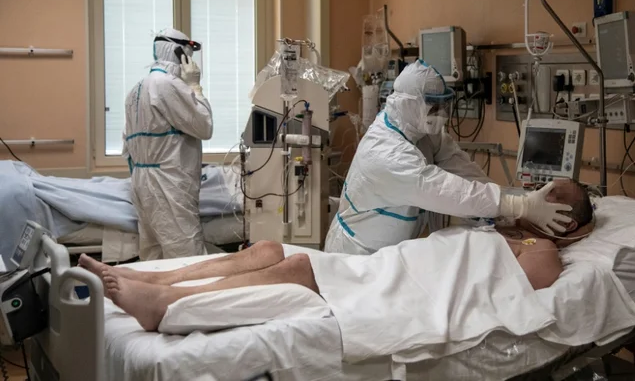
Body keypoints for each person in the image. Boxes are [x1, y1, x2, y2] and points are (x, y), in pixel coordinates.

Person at [77, 178, 595, 332]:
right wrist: (509, 215)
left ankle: (164, 306)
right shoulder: (501, 224)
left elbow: (505, 293)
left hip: (413, 286)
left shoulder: (545, 249)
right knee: (269, 248)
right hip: (396, 264)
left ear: (567, 223)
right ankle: (163, 281)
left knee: (298, 268)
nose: (536, 189)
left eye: (552, 194)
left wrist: (537, 235)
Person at [325, 60, 573, 255]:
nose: (441, 115)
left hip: (390, 254)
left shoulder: (420, 130)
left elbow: (462, 170)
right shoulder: (385, 153)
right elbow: (443, 189)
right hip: (357, 255)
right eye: (433, 107)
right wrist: (519, 206)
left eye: (444, 106)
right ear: (408, 104)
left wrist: (512, 203)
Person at [123, 28, 213, 260]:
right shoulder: (169, 85)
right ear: (180, 53)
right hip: (168, 183)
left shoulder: (136, 90)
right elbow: (204, 126)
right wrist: (195, 87)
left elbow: (127, 146)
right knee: (186, 258)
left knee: (153, 255)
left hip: (142, 182)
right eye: (189, 53)